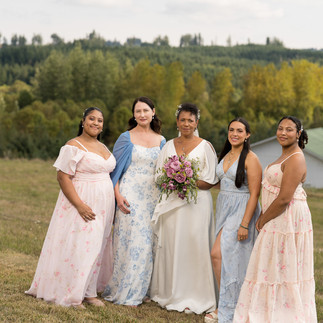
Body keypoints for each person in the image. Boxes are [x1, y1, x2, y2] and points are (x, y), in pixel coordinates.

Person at [26, 107, 116, 308]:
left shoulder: (103, 147)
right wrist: (80, 205)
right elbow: (62, 176)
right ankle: (72, 294)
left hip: (105, 205)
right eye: (91, 119)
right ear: (82, 121)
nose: (96, 123)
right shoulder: (72, 146)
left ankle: (90, 292)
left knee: (98, 246)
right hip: (83, 201)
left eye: (100, 120)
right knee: (83, 245)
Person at [233, 116, 317, 323]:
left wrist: (262, 220)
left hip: (286, 218)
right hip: (277, 216)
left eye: (289, 130)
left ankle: (284, 314)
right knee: (273, 265)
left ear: (298, 134)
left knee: (283, 267)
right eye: (280, 128)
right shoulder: (284, 155)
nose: (283, 133)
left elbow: (284, 198)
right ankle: (268, 311)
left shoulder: (296, 158)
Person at [150, 103, 218, 315]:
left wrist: (187, 180)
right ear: (177, 122)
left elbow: (211, 180)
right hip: (173, 204)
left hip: (197, 204)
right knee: (173, 245)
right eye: (182, 120)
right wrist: (172, 179)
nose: (186, 123)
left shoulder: (205, 146)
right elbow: (158, 176)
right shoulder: (168, 145)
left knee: (195, 246)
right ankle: (170, 292)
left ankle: (197, 294)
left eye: (190, 120)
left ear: (197, 123)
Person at [102, 96, 166, 306]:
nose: (142, 115)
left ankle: (142, 289)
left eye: (145, 110)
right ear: (134, 114)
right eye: (138, 111)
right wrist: (117, 196)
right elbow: (115, 171)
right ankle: (125, 288)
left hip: (153, 197)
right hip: (129, 193)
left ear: (153, 112)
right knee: (132, 242)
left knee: (149, 243)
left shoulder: (162, 140)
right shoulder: (125, 138)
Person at [205, 117, 262, 323]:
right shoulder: (226, 155)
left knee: (217, 254)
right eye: (231, 130)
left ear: (247, 135)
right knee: (227, 258)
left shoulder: (251, 158)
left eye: (239, 131)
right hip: (224, 207)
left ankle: (231, 306)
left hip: (242, 208)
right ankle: (228, 303)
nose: (234, 134)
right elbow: (221, 183)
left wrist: (244, 224)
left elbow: (255, 193)